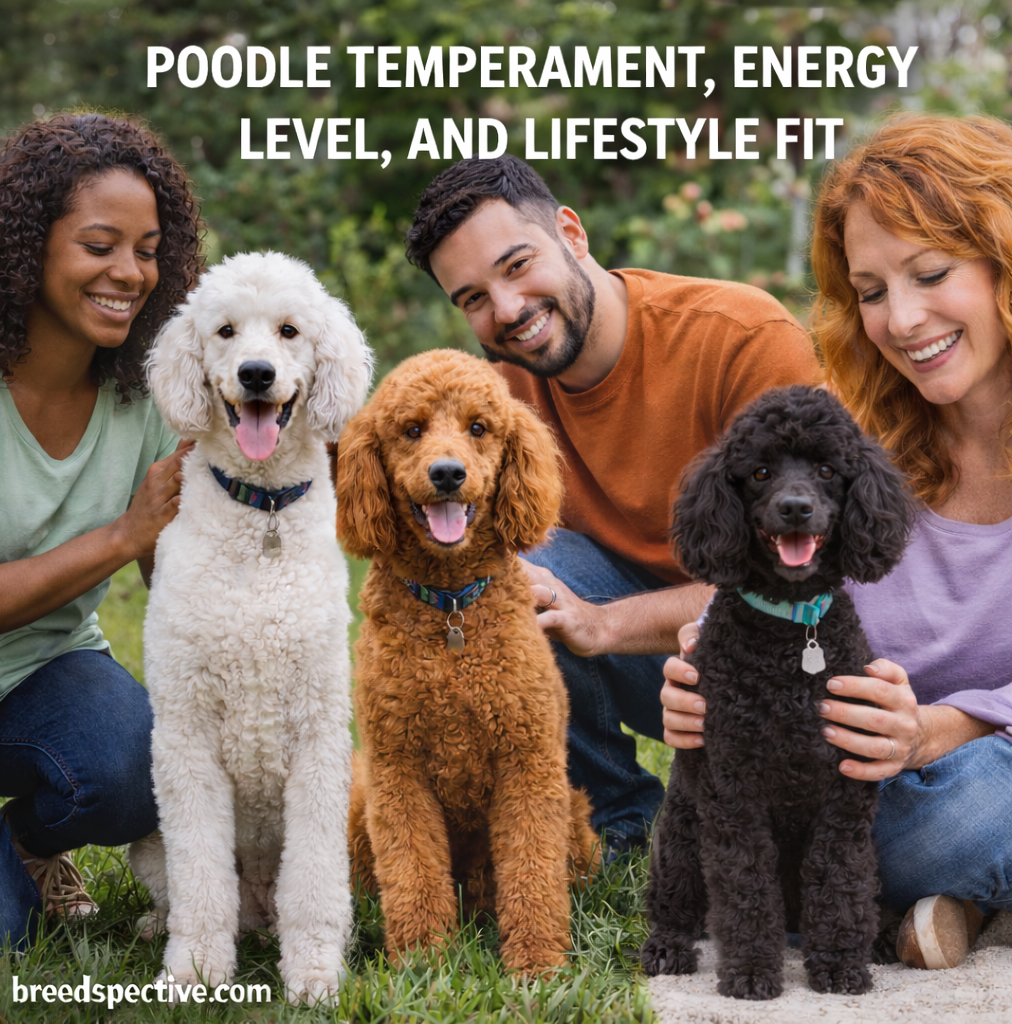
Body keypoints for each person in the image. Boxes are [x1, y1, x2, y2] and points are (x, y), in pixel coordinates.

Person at [661, 112, 1012, 965]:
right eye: (872, 289)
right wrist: (703, 665)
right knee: (862, 823)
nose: (903, 318)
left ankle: (952, 890)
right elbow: (784, 593)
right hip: (860, 779)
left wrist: (939, 728)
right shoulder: (847, 449)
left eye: (931, 273)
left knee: (970, 810)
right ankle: (949, 902)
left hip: (975, 766)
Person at [405, 156, 822, 850]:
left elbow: (805, 580)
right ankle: (619, 817)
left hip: (775, 666)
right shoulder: (500, 397)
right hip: (653, 668)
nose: (506, 311)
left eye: (517, 266)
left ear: (571, 233)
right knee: (505, 562)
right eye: (473, 298)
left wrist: (603, 624)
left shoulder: (741, 338)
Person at [0, 113, 202, 952]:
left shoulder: (143, 399)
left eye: (148, 249)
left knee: (145, 759)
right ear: (27, 247)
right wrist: (122, 535)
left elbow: (172, 583)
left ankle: (28, 846)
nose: (130, 273)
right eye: (100, 245)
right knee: (2, 941)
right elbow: (132, 539)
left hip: (43, 675)